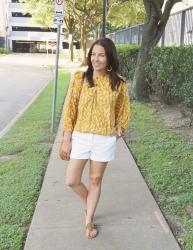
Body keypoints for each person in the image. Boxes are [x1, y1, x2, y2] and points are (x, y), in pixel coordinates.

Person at [60, 37, 131, 239]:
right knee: (71, 180)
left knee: (95, 179)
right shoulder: (79, 79)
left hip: (104, 140)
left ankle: (89, 219)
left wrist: (118, 131)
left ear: (109, 58)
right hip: (81, 136)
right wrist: (66, 138)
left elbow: (124, 111)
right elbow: (70, 109)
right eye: (93, 54)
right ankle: (88, 202)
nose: (96, 59)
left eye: (101, 55)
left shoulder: (119, 84)